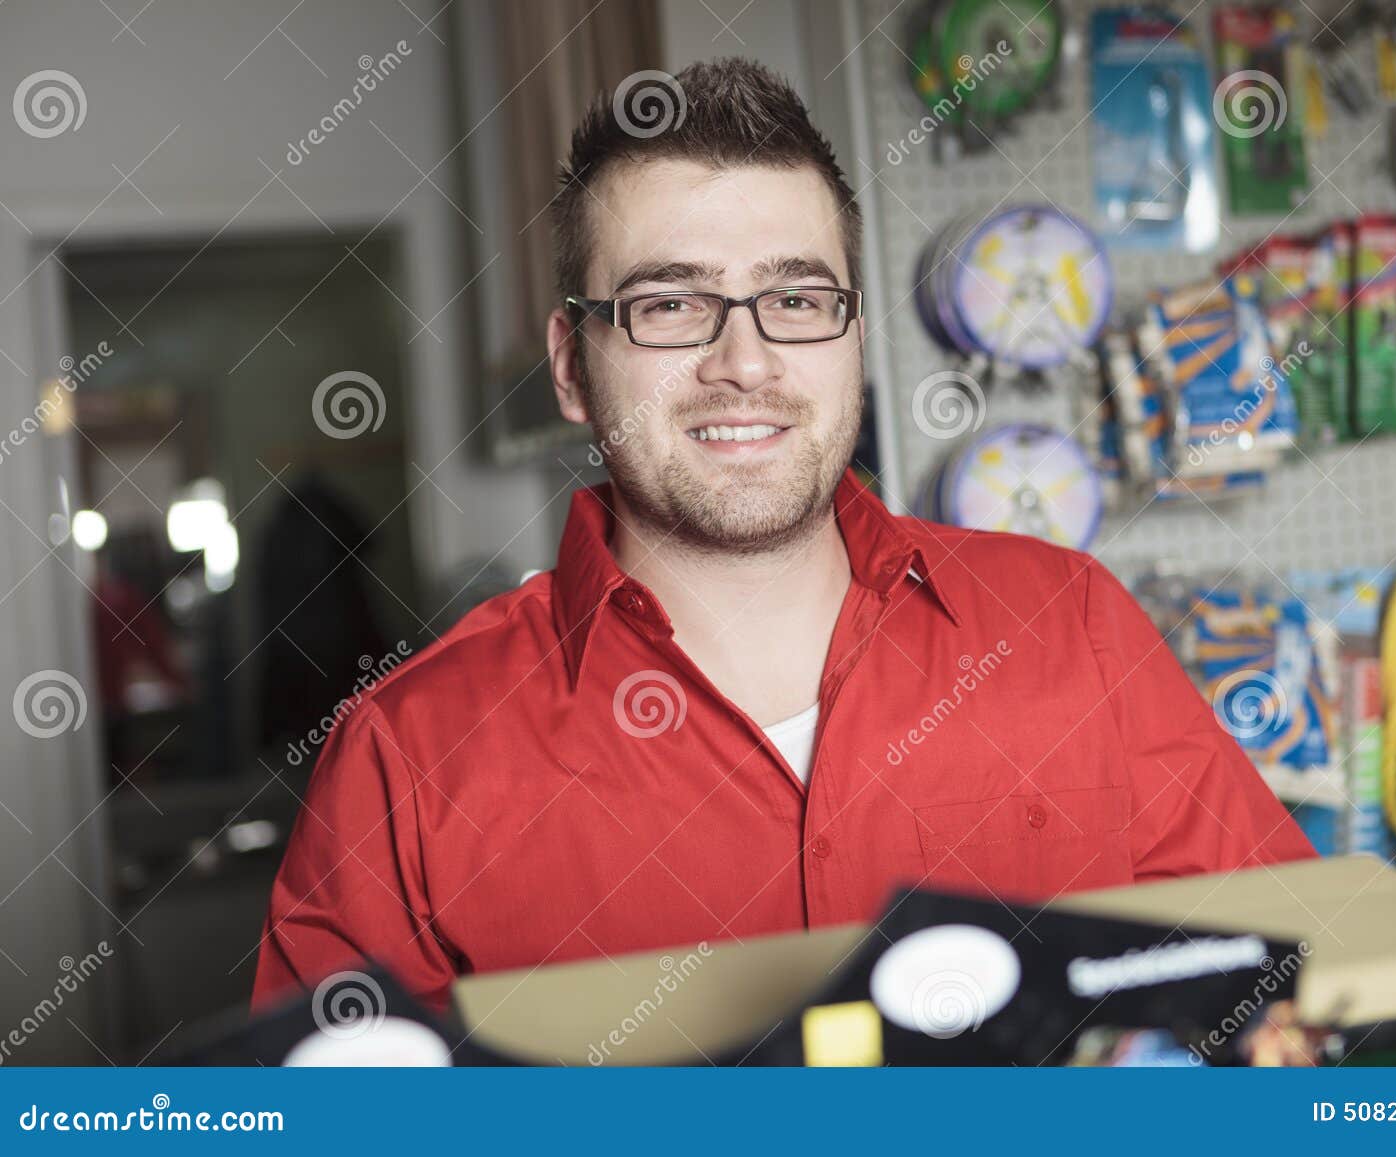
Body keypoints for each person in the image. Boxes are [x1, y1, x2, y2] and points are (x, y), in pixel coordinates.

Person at [253, 58, 1314, 1014]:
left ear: (852, 334)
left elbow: (1283, 1010)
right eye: (671, 305)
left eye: (796, 297)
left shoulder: (1067, 625)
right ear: (573, 365)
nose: (746, 361)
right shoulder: (410, 754)